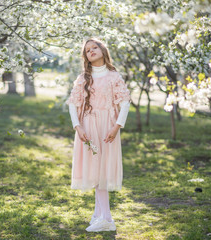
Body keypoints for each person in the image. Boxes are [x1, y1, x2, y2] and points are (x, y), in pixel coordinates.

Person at [65, 38, 131, 232]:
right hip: (88, 127)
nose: (91, 51)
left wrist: (117, 126)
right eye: (87, 50)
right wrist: (78, 127)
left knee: (102, 171)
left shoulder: (113, 76)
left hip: (107, 128)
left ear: (103, 50)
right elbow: (72, 104)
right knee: (95, 170)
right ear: (85, 56)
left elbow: (125, 102)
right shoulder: (83, 78)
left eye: (95, 47)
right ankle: (99, 214)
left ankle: (107, 220)